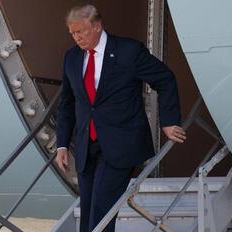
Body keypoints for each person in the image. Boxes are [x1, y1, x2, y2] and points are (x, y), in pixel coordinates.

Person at [54, 4, 186, 232]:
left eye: (81, 32)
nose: (76, 38)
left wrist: (168, 121)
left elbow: (165, 78)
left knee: (101, 210)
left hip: (122, 143)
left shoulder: (128, 51)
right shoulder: (72, 58)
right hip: (87, 146)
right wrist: (62, 144)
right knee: (87, 212)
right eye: (72, 33)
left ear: (97, 26)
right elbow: (67, 103)